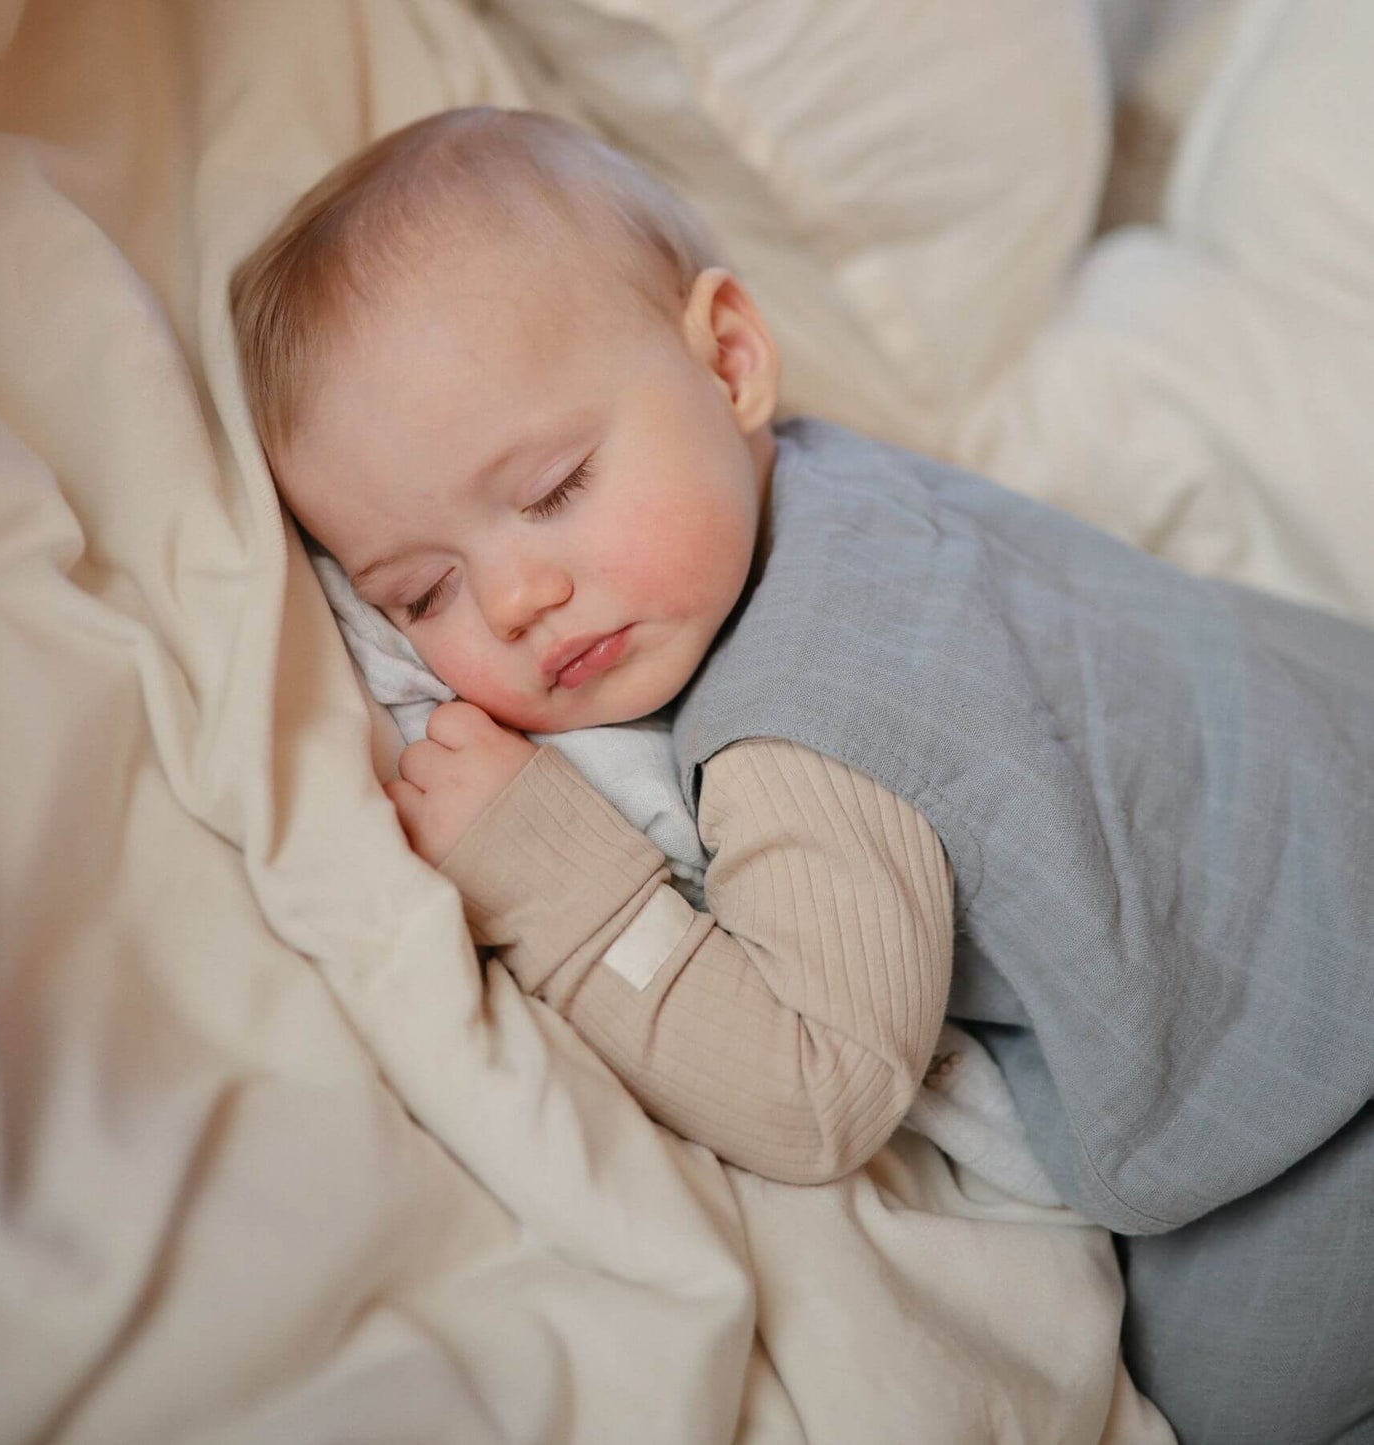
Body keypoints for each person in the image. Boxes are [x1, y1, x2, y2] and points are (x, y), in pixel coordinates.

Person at [230, 107, 1374, 1443]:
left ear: (728, 362)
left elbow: (820, 1083)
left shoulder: (800, 726)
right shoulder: (842, 500)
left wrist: (558, 878)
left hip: (1321, 1109)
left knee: (1237, 1393)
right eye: (424, 591)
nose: (522, 592)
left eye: (552, 489)